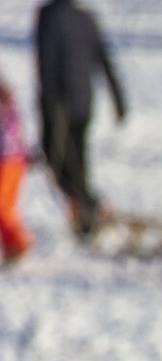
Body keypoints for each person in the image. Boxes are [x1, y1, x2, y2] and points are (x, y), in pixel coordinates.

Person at [34, 0, 127, 240]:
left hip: (58, 104)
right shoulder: (86, 18)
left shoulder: (48, 15)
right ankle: (87, 214)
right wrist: (118, 98)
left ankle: (89, 211)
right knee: (78, 163)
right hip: (83, 101)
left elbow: (46, 60)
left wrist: (48, 104)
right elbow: (104, 59)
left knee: (57, 162)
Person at [0, 76, 33, 267]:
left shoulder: (6, 104)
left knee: (3, 205)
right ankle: (14, 244)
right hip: (13, 160)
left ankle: (17, 243)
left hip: (9, 161)